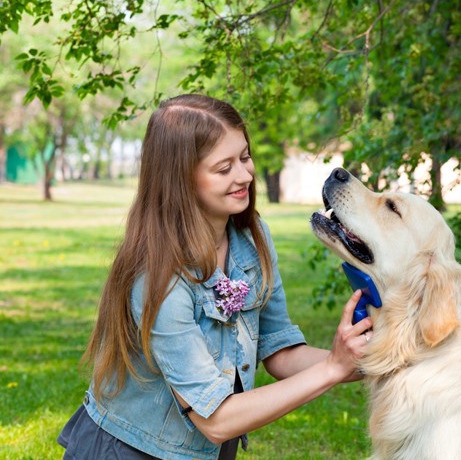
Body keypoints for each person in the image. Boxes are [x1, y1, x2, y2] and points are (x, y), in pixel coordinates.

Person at [57, 94, 373, 460]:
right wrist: (333, 369)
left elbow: (281, 352)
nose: (244, 175)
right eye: (224, 168)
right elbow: (216, 419)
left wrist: (373, 361)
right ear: (180, 180)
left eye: (245, 157)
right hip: (132, 450)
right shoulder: (158, 276)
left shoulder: (252, 237)